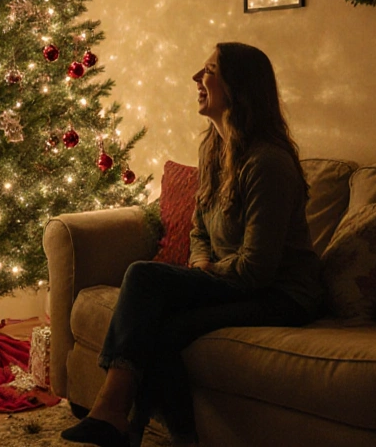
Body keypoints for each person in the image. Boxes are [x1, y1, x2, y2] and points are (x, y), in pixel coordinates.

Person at [61, 42, 324, 447]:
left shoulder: (267, 164)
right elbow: (199, 231)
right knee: (162, 328)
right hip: (233, 280)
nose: (197, 79)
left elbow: (258, 268)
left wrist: (203, 274)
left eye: (210, 70)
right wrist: (201, 263)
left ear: (239, 86)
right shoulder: (215, 149)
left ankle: (111, 411)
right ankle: (167, 434)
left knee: (143, 277)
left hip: (283, 293)